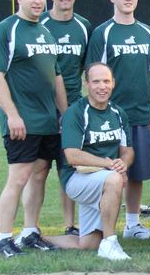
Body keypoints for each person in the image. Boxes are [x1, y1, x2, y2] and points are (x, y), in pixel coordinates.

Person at [0, 0, 67, 257]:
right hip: (22, 121)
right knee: (18, 178)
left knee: (39, 176)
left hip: (47, 121)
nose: (37, 0)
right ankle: (4, 239)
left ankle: (30, 231)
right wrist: (12, 115)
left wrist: (65, 115)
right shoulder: (5, 31)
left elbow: (55, 77)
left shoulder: (45, 32)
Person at [86, 0, 150, 240]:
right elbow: (95, 75)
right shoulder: (103, 33)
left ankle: (132, 225)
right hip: (111, 116)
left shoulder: (148, 33)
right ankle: (100, 227)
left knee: (139, 172)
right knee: (109, 171)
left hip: (141, 114)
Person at [44, 63, 133, 260]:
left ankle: (39, 238)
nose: (102, 87)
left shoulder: (119, 113)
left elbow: (128, 150)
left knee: (88, 243)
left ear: (113, 83)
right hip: (77, 178)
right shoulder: (76, 113)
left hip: (102, 178)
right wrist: (110, 164)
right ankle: (110, 243)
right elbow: (72, 155)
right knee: (114, 179)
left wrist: (123, 163)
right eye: (96, 82)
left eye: (106, 81)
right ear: (87, 84)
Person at [39, 0, 92, 236]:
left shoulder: (83, 26)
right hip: (40, 107)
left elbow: (86, 67)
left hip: (72, 106)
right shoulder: (40, 24)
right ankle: (30, 227)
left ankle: (70, 225)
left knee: (68, 166)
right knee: (37, 169)